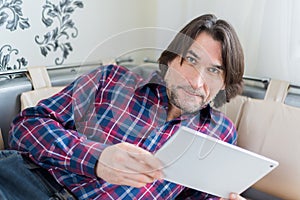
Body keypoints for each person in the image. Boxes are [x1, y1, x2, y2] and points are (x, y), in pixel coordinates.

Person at [5, 14, 246, 199]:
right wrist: (97, 159)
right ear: (171, 58)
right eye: (191, 60)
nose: (196, 81)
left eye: (214, 70)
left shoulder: (220, 134)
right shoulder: (110, 79)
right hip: (30, 185)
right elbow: (25, 127)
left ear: (225, 82)